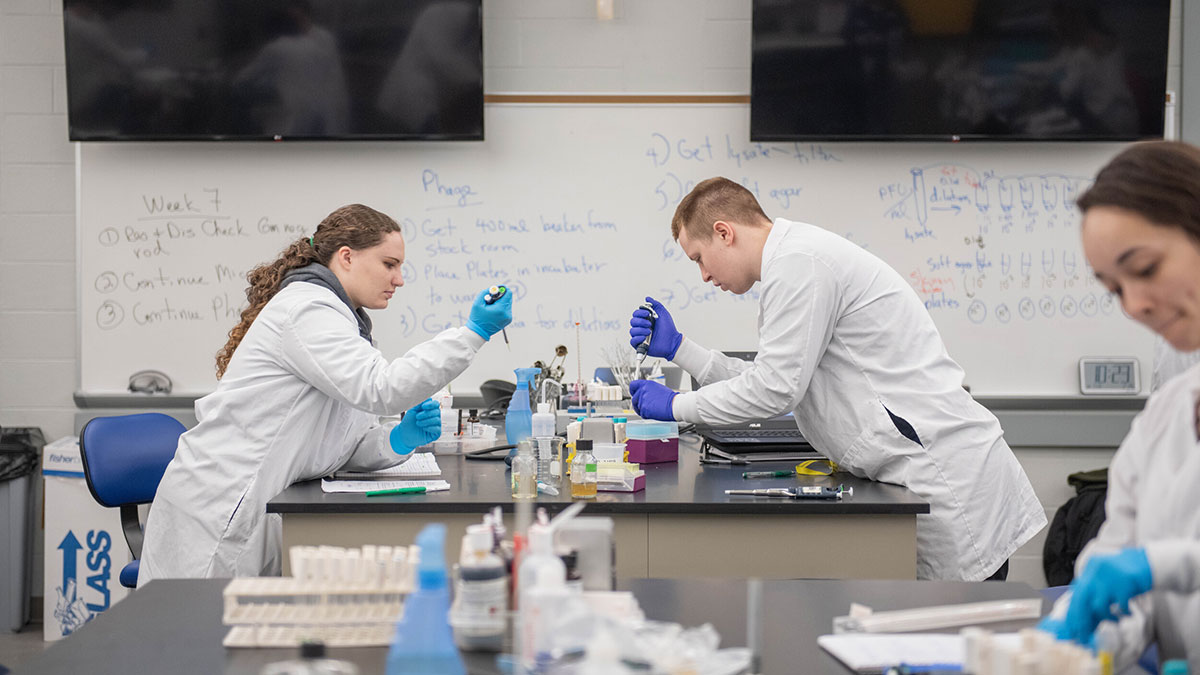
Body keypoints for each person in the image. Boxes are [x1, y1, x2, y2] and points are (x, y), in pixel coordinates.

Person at [627, 177, 1045, 581]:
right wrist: (682, 350)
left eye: (698, 258)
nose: (702, 275)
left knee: (952, 637)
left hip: (944, 478)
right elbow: (777, 379)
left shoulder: (799, 265)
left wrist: (675, 407)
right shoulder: (796, 260)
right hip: (922, 473)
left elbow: (774, 390)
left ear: (723, 233)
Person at [138, 204, 512, 584]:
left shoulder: (340, 320)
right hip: (218, 508)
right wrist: (472, 334)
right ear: (346, 257)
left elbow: (339, 444)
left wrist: (396, 440)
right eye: (389, 264)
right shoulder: (308, 309)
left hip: (256, 506)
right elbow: (381, 388)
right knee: (195, 635)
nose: (398, 279)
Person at [1038, 141, 1200, 668]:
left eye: (1146, 269)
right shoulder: (1168, 412)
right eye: (1114, 289)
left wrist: (1161, 565)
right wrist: (1089, 635)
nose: (1134, 305)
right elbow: (1118, 552)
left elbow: (1151, 563)